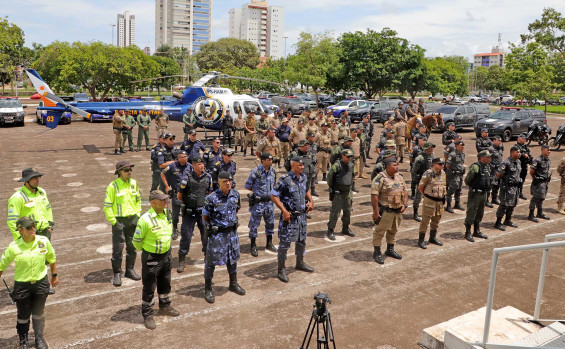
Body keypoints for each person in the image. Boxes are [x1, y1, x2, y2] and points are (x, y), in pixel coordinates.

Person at [0, 216, 59, 349]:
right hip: (22, 285)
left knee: (39, 312)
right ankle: (23, 340)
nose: (33, 229)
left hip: (41, 283)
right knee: (23, 315)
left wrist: (54, 275)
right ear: (20, 230)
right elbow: (1, 265)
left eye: (34, 226)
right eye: (28, 227)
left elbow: (51, 257)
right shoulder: (14, 247)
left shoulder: (42, 241)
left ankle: (39, 338)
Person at [132, 190, 180, 330]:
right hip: (152, 257)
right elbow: (136, 242)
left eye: (166, 199)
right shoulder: (145, 220)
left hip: (166, 255)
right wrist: (150, 250)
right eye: (162, 200)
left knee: (165, 283)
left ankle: (165, 306)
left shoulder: (167, 214)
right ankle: (147, 314)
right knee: (149, 286)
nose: (166, 202)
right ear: (153, 202)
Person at [202, 171, 246, 303]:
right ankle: (208, 288)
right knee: (211, 261)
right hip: (218, 235)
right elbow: (205, 217)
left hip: (232, 234)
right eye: (225, 181)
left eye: (230, 181)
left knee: (232, 258)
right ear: (219, 182)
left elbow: (235, 209)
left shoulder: (235, 194)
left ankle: (233, 283)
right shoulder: (211, 198)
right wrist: (212, 228)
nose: (228, 183)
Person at [271, 157, 315, 282]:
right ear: (293, 165)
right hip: (289, 218)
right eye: (299, 165)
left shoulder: (304, 177)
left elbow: (306, 189)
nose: (302, 167)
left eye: (303, 165)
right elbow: (274, 195)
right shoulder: (285, 180)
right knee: (284, 243)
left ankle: (300, 262)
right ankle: (281, 269)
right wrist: (284, 211)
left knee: (302, 240)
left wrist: (311, 201)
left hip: (301, 216)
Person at [103, 160, 142, 287]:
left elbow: (138, 200)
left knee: (132, 247)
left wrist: (137, 214)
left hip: (132, 220)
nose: (129, 172)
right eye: (126, 170)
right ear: (119, 172)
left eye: (130, 170)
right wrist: (114, 221)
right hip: (119, 221)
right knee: (118, 249)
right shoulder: (113, 186)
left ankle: (130, 270)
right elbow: (107, 206)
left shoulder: (134, 183)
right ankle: (117, 273)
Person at [176, 156, 213, 273]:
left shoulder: (208, 177)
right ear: (193, 165)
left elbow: (209, 193)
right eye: (199, 164)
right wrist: (185, 206)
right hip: (189, 212)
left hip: (203, 212)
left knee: (206, 235)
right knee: (186, 236)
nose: (202, 166)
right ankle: (182, 259)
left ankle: (207, 256)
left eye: (203, 164)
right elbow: (179, 196)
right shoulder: (186, 178)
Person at [371, 159, 407, 264]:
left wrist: (405, 204)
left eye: (397, 165)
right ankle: (377, 252)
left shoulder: (400, 177)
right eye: (394, 165)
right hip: (386, 211)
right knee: (379, 232)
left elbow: (405, 191)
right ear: (388, 167)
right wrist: (376, 212)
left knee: (393, 231)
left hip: (397, 211)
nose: (397, 167)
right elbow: (374, 196)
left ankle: (390, 249)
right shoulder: (380, 178)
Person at [245, 153, 278, 257]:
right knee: (254, 225)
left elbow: (274, 185)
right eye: (268, 160)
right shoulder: (256, 172)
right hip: (258, 203)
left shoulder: (273, 171)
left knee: (270, 223)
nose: (271, 161)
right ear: (263, 161)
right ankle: (253, 245)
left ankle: (269, 243)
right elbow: (248, 185)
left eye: (271, 159)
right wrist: (258, 193)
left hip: (269, 202)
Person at [8, 168, 53, 241]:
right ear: (26, 180)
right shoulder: (17, 197)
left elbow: (48, 209)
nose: (37, 180)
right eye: (34, 178)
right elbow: (12, 221)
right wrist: (21, 238)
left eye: (38, 177)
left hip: (45, 233)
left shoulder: (42, 192)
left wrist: (50, 226)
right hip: (28, 236)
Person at [161, 150, 190, 240]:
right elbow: (162, 173)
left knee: (187, 212)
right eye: (183, 157)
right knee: (175, 213)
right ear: (178, 158)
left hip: (187, 193)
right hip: (176, 193)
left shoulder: (190, 166)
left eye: (186, 157)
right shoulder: (172, 166)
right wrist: (166, 186)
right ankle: (174, 228)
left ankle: (186, 230)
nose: (185, 158)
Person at [417, 157, 446, 249]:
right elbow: (421, 186)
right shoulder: (428, 173)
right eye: (440, 164)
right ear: (434, 164)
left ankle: (432, 237)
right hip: (430, 200)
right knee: (425, 220)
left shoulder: (443, 173)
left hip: (439, 201)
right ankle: (421, 240)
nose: (442, 165)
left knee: (436, 220)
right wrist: (426, 196)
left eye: (443, 164)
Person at [327, 149, 356, 240]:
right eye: (348, 156)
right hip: (338, 192)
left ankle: (345, 228)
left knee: (347, 211)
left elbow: (352, 176)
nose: (350, 158)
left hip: (347, 192)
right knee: (335, 212)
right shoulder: (337, 165)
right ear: (343, 156)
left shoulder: (351, 165)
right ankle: (330, 229)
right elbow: (330, 178)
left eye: (351, 156)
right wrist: (333, 189)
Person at [463, 150, 492, 242]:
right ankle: (468, 232)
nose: (489, 158)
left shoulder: (487, 167)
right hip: (475, 194)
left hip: (483, 193)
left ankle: (476, 231)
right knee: (472, 212)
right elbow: (467, 180)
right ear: (482, 157)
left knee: (480, 212)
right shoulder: (475, 167)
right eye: (487, 157)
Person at [494, 146, 522, 231]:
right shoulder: (506, 162)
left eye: (519, 152)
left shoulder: (518, 162)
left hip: (515, 187)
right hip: (507, 187)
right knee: (504, 204)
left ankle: (507, 220)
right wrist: (507, 180)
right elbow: (499, 174)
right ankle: (498, 222)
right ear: (512, 153)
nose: (519, 153)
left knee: (512, 204)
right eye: (517, 152)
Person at [411, 142, 435, 221]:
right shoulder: (420, 158)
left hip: (429, 180)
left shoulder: (431, 156)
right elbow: (414, 171)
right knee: (418, 197)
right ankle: (415, 213)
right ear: (426, 148)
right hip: (421, 180)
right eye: (430, 147)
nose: (432, 149)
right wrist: (417, 180)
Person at [528, 145, 551, 222]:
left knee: (541, 198)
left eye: (549, 150)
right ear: (542, 150)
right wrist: (534, 177)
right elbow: (531, 171)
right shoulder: (538, 160)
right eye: (547, 150)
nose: (549, 151)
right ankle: (531, 214)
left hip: (545, 182)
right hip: (538, 183)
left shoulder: (548, 160)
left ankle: (539, 213)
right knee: (535, 198)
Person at [445, 140, 466, 213]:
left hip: (460, 175)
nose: (463, 146)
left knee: (459, 189)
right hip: (453, 175)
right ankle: (448, 205)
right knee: (451, 190)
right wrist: (453, 171)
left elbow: (461, 163)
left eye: (463, 145)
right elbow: (447, 165)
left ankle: (457, 204)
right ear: (456, 146)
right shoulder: (452, 154)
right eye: (461, 145)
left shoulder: (463, 154)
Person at [487, 136, 504, 207]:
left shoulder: (500, 148)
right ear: (494, 141)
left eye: (500, 140)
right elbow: (487, 159)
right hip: (492, 170)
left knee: (497, 185)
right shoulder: (490, 149)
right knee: (490, 185)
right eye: (498, 140)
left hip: (498, 170)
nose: (500, 142)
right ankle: (486, 200)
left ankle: (494, 198)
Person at [515, 134, 532, 200]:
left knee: (522, 180)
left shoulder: (525, 147)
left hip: (524, 166)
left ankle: (520, 193)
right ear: (519, 139)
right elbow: (514, 153)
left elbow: (529, 154)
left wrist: (530, 161)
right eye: (523, 139)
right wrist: (523, 155)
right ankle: (515, 193)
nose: (525, 140)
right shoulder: (516, 147)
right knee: (516, 180)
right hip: (518, 166)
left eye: (525, 139)